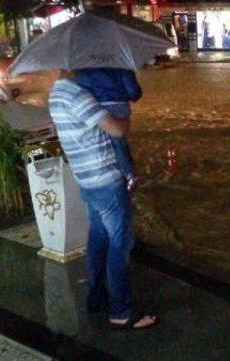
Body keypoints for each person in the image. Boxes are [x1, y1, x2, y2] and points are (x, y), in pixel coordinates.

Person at [49, 71, 159, 330]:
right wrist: (124, 117)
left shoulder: (55, 92)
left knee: (98, 237)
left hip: (85, 179)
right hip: (105, 179)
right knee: (120, 244)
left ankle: (96, 298)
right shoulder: (76, 95)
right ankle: (121, 311)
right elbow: (117, 129)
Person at [75, 68, 141, 192]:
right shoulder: (119, 63)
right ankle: (127, 173)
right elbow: (133, 91)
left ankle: (118, 171)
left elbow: (80, 88)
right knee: (118, 140)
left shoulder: (82, 65)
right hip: (119, 105)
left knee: (102, 140)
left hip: (93, 106)